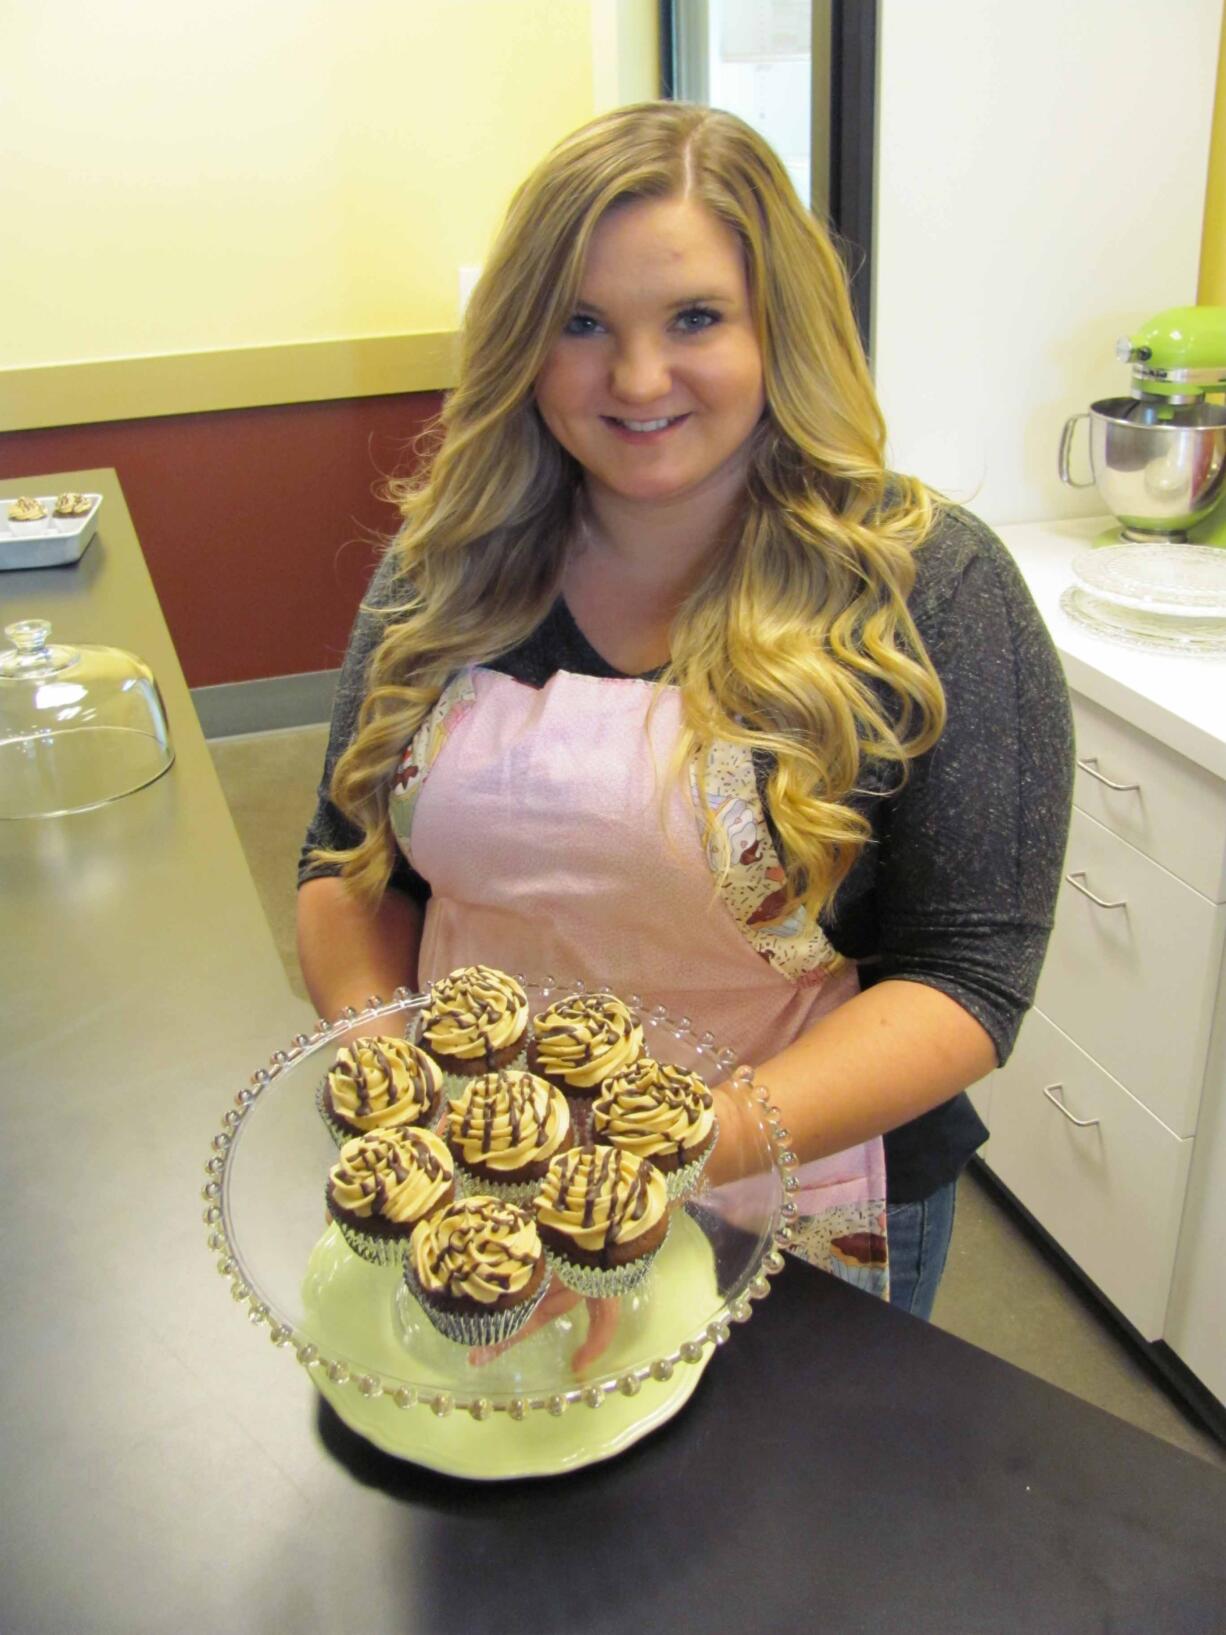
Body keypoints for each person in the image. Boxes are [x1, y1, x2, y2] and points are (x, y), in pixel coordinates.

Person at [297, 100, 1073, 1327]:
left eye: (696, 319)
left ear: (782, 329)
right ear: (522, 340)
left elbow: (967, 975)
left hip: (794, 1187)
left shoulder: (929, 586)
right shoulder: (443, 564)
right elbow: (346, 869)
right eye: (581, 323)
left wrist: (668, 1151)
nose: (638, 377)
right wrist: (385, 1059)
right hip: (480, 1181)